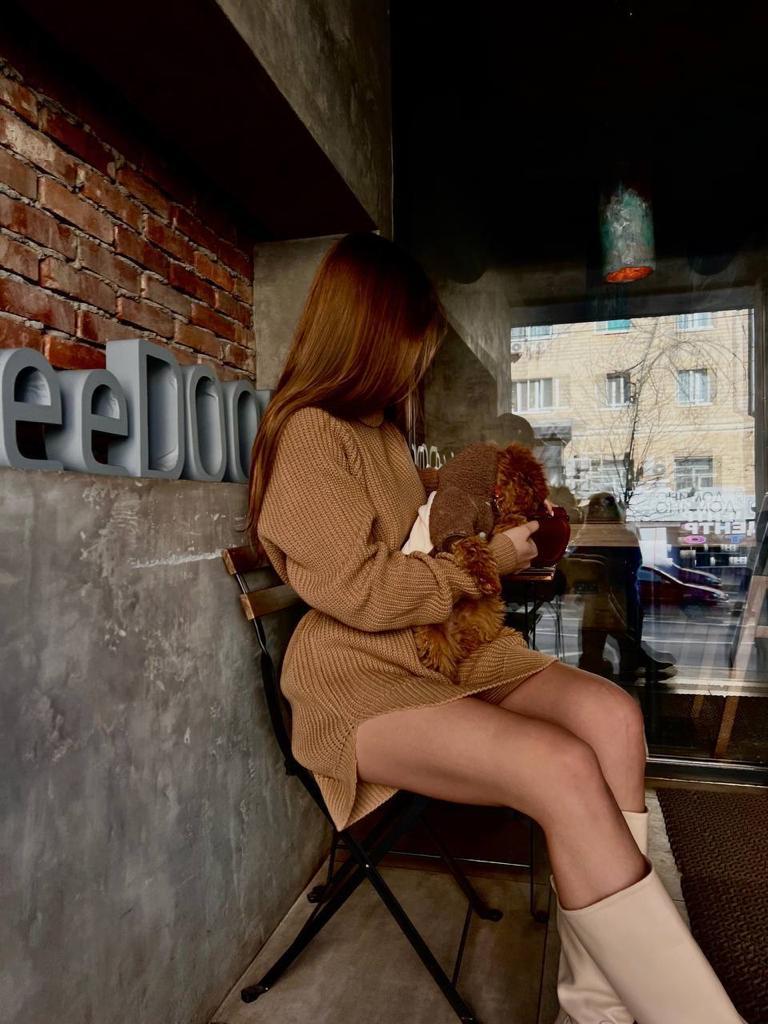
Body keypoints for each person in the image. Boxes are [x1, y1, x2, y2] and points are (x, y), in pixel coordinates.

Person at [247, 232, 745, 1024]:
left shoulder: (383, 435)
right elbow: (360, 591)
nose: (418, 368)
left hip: (437, 654)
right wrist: (484, 562)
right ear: (368, 338)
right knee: (560, 768)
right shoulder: (310, 433)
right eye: (413, 348)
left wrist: (492, 518)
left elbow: (420, 534)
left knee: (613, 717)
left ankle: (601, 1010)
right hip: (355, 682)